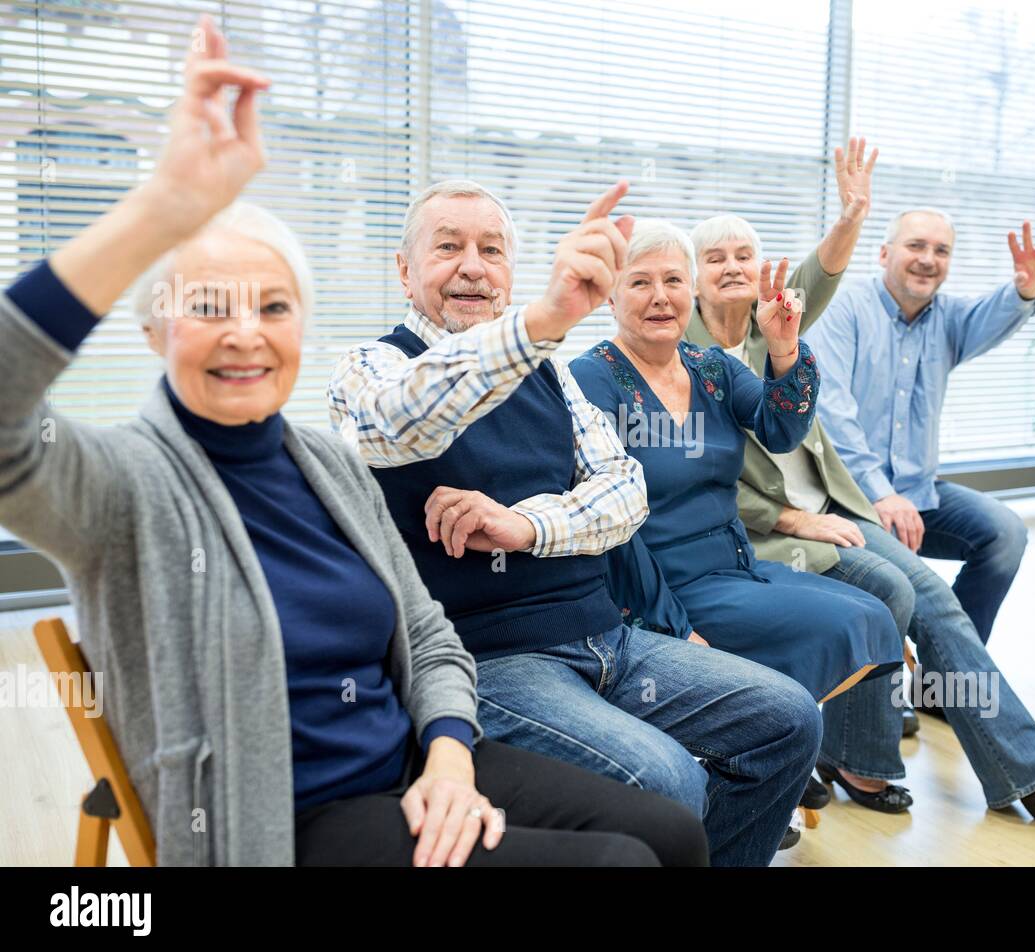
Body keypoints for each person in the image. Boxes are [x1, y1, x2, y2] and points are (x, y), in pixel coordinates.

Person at [0, 16, 712, 867]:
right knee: (621, 863)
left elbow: (428, 633)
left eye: (272, 308)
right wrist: (162, 211)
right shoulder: (122, 484)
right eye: (207, 307)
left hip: (415, 765)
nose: (243, 334)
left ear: (300, 327)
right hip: (282, 820)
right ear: (154, 331)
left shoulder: (323, 465)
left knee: (672, 831)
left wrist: (449, 752)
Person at [328, 180, 822, 867]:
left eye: (491, 250)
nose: (473, 265)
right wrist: (535, 324)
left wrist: (523, 525)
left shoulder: (551, 375)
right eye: (449, 248)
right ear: (405, 271)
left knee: (789, 718)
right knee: (668, 779)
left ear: (508, 271)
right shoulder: (370, 368)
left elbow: (625, 494)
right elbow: (405, 419)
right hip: (494, 663)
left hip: (610, 638)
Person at [688, 206, 1035, 820]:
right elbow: (698, 472)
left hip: (835, 506)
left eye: (745, 255)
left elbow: (822, 271)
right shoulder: (682, 350)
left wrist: (854, 213)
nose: (733, 268)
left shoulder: (775, 321)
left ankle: (991, 760)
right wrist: (793, 520)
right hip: (766, 532)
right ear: (690, 276)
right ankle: (983, 765)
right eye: (715, 259)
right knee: (903, 591)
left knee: (934, 589)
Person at [568, 219, 904, 722]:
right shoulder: (591, 376)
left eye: (674, 280)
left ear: (692, 290)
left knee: (874, 614)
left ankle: (768, 732)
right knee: (843, 625)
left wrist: (783, 348)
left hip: (738, 566)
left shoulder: (712, 367)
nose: (661, 296)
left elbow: (781, 429)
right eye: (640, 282)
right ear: (610, 298)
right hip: (664, 587)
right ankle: (767, 731)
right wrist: (673, 628)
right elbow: (609, 526)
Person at [805, 209, 1035, 647]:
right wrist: (880, 493)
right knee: (904, 584)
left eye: (941, 251)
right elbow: (832, 412)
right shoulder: (845, 307)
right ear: (883, 253)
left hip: (918, 495)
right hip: (848, 499)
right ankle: (940, 671)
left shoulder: (948, 317)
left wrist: (1025, 290)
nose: (928, 259)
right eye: (916, 246)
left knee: (1006, 535)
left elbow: (992, 315)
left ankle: (942, 679)